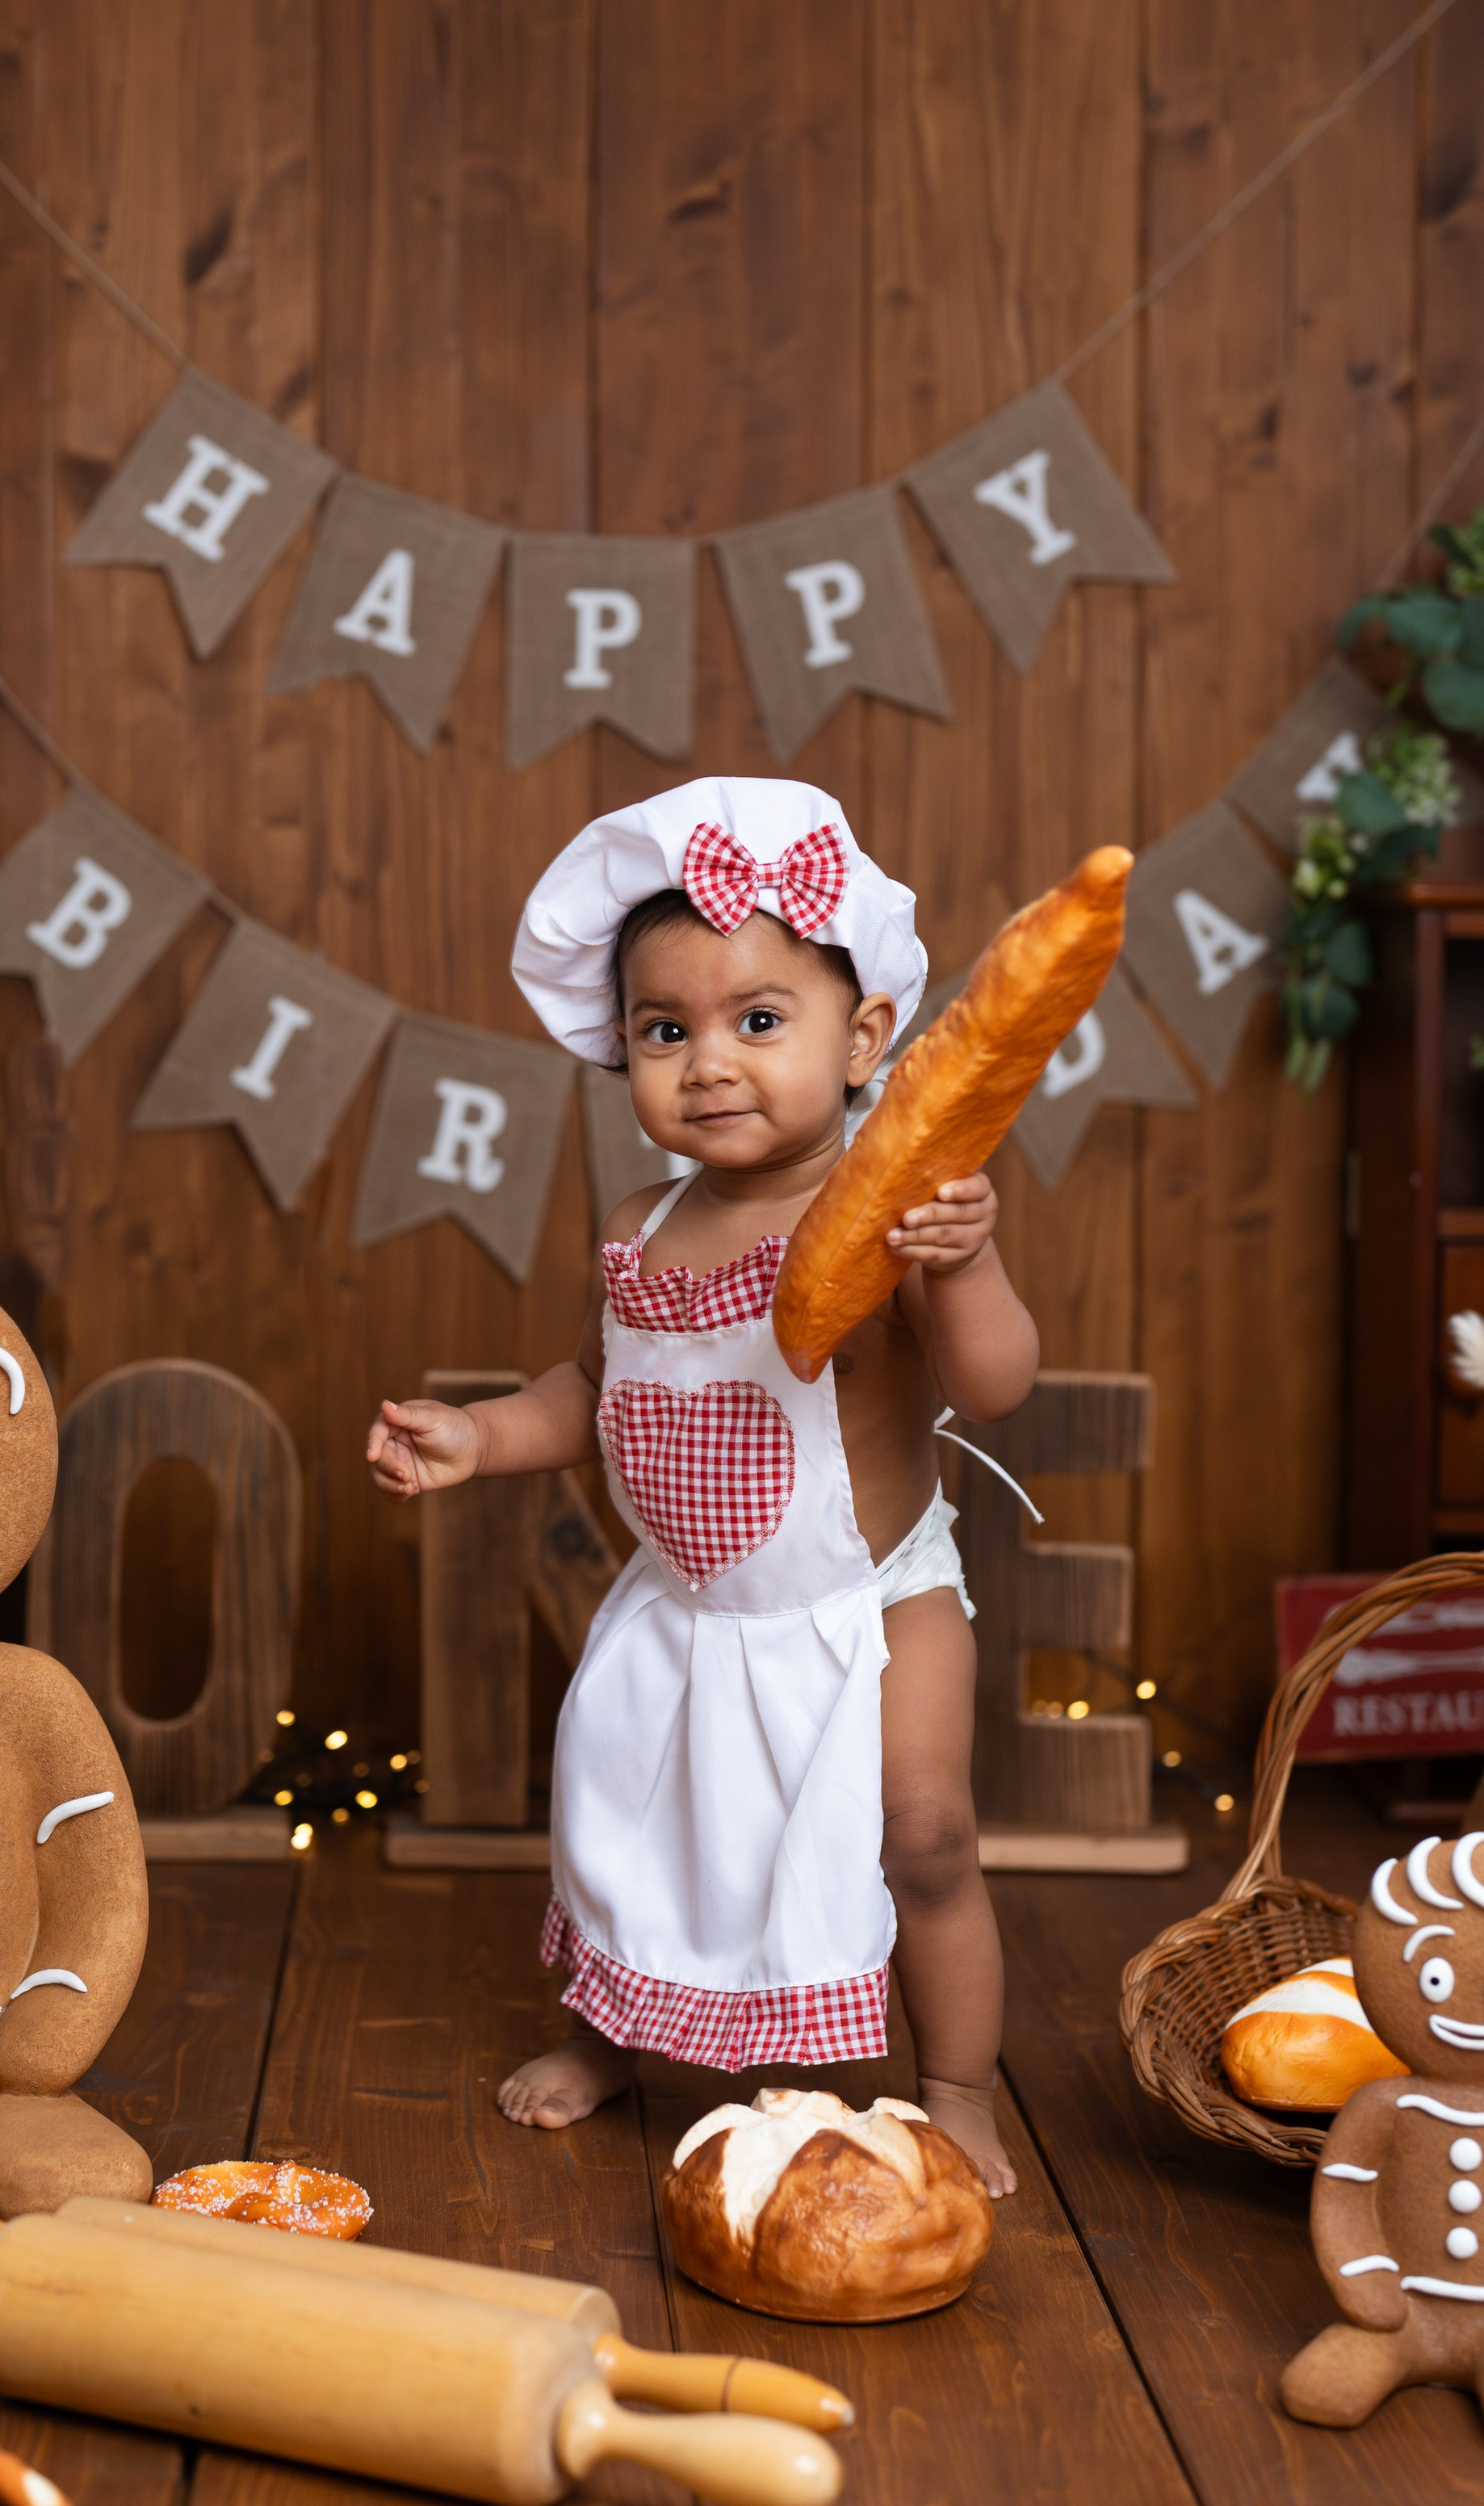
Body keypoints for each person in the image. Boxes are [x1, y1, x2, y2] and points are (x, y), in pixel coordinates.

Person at [365, 777, 1038, 2197]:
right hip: (687, 1613)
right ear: (622, 1052)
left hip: (869, 1601)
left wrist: (964, 1262)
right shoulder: (640, 1225)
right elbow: (598, 1388)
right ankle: (621, 2039)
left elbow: (993, 1388)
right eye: (667, 1031)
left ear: (864, 1042)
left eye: (759, 1020)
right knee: (642, 1842)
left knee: (924, 1830)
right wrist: (481, 1438)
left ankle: (958, 2086)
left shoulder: (889, 1208)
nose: (710, 1062)